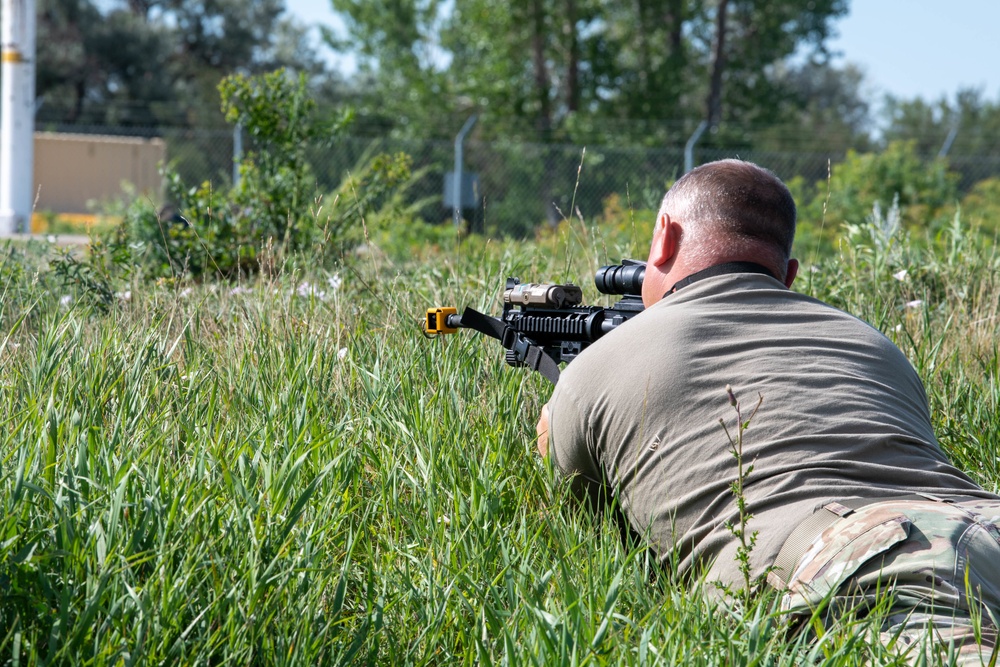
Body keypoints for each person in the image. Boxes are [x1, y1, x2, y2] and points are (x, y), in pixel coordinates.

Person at [535, 159, 1000, 664]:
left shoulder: (602, 363)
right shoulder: (873, 344)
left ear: (664, 238)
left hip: (869, 559)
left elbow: (576, 509)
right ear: (790, 275)